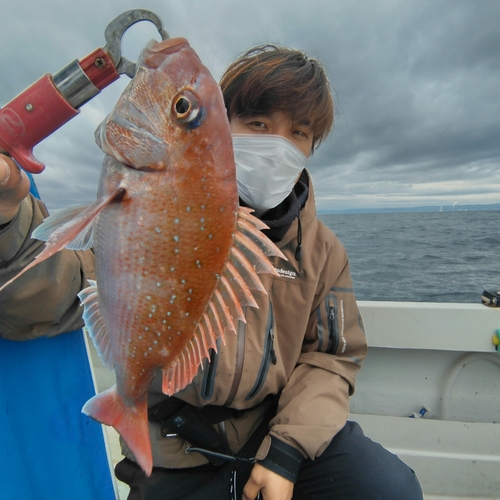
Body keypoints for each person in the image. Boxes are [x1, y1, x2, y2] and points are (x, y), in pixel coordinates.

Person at [0, 44, 423, 500]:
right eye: (258, 124)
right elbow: (33, 295)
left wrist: (287, 450)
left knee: (388, 488)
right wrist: (7, 218)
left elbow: (332, 356)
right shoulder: (148, 213)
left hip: (276, 437)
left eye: (298, 133)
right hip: (177, 452)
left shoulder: (323, 252)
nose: (278, 145)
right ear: (224, 128)